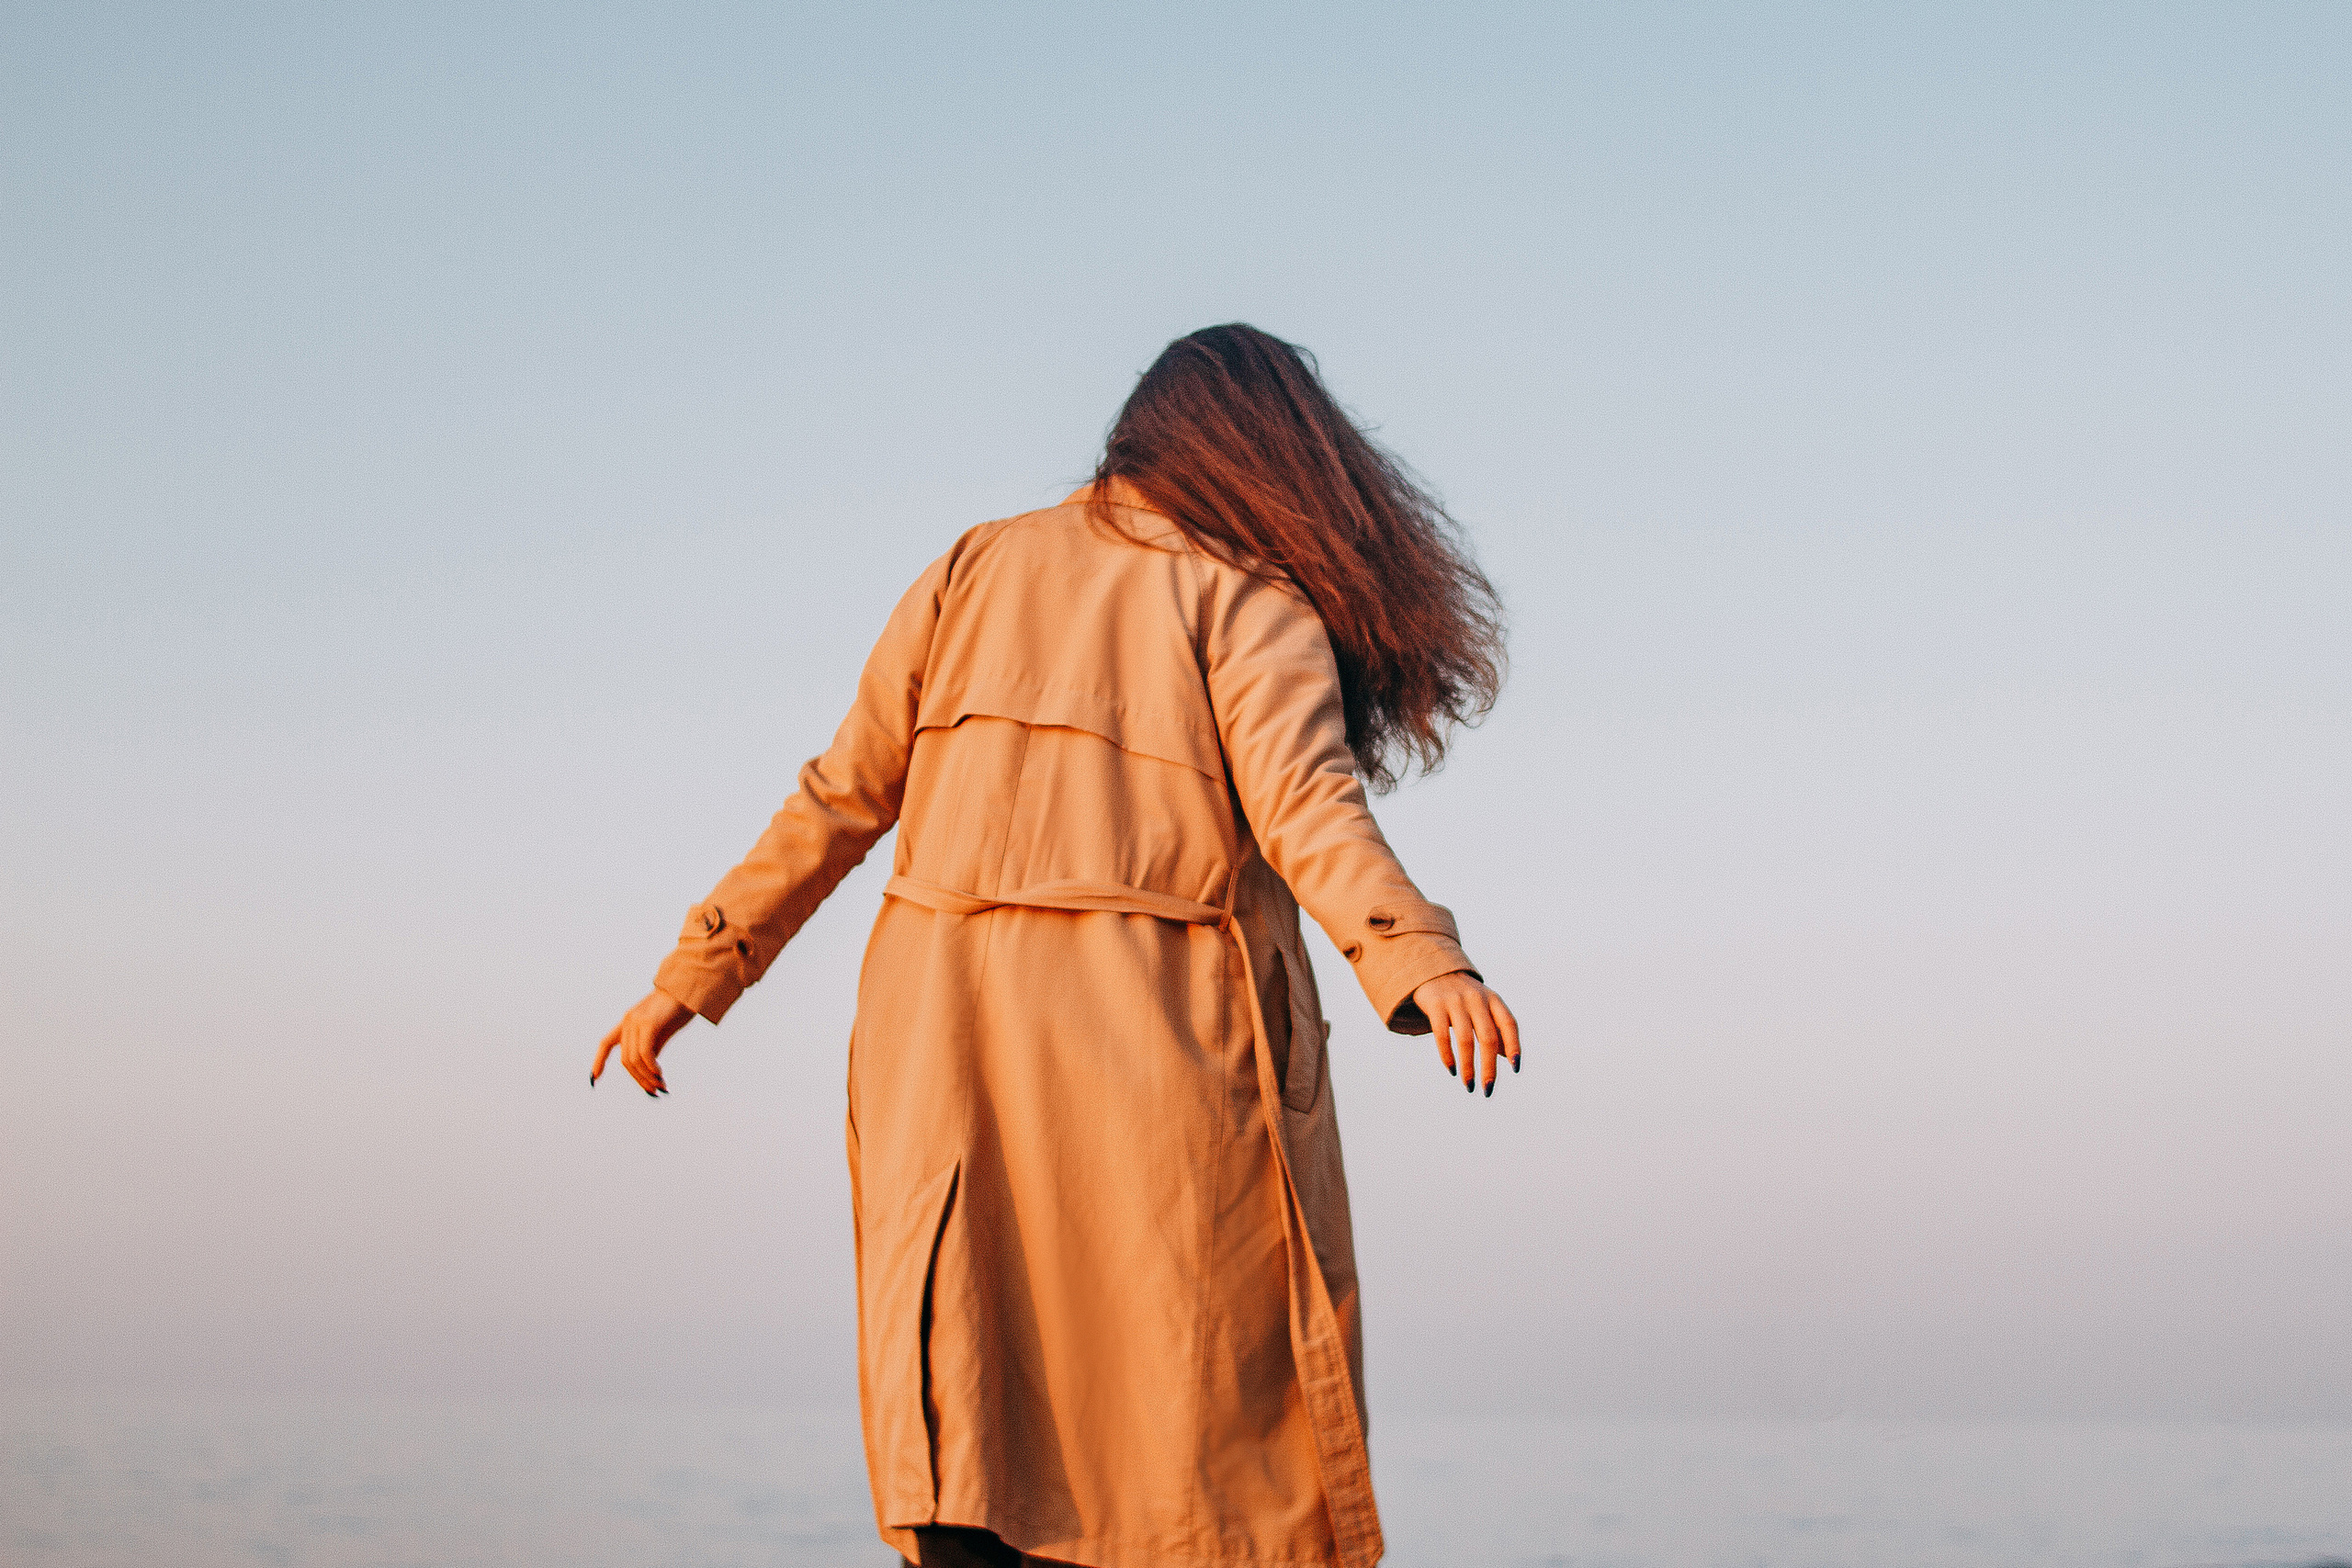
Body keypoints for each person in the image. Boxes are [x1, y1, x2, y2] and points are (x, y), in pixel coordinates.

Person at [593, 324, 1521, 1568]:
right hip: (1160, 1066)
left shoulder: (973, 566)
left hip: (946, 1064)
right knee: (1192, 1461)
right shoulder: (1248, 597)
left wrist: (693, 975)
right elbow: (1310, 809)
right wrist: (1422, 959)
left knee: (971, 1426)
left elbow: (837, 798)